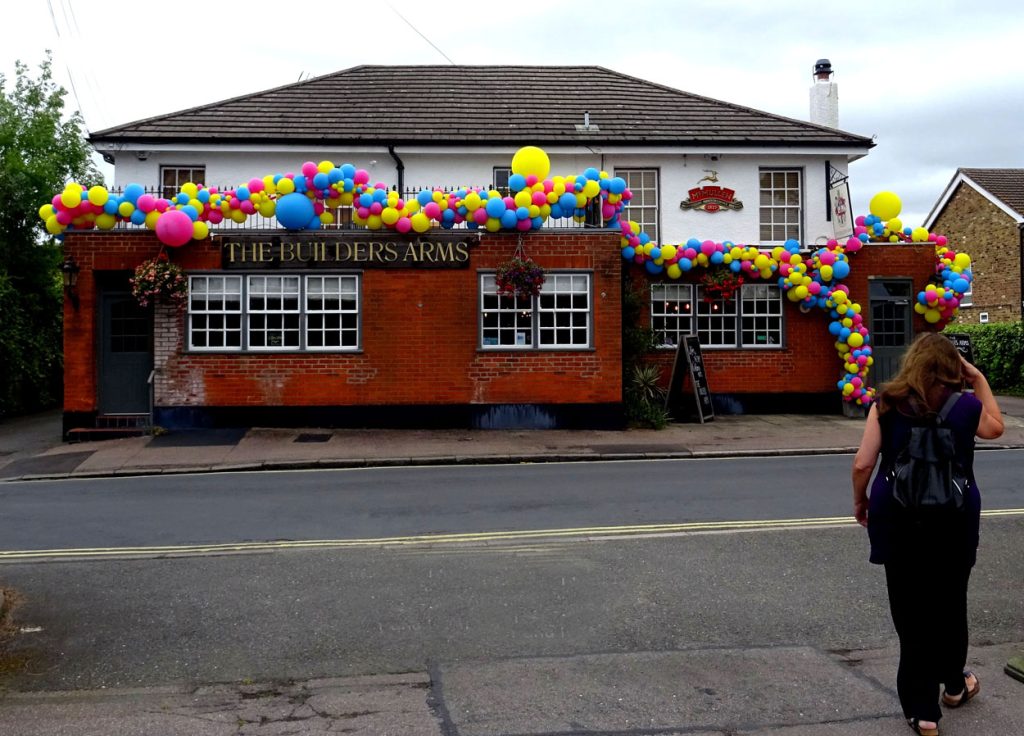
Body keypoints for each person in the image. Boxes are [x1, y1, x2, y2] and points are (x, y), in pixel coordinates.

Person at [851, 332, 1004, 736]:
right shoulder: (966, 407)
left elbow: (864, 463)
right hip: (954, 520)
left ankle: (923, 713)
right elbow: (997, 429)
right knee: (950, 606)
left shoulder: (885, 404)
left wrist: (860, 500)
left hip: (897, 519)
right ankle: (954, 685)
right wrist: (980, 380)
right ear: (954, 368)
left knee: (911, 614)